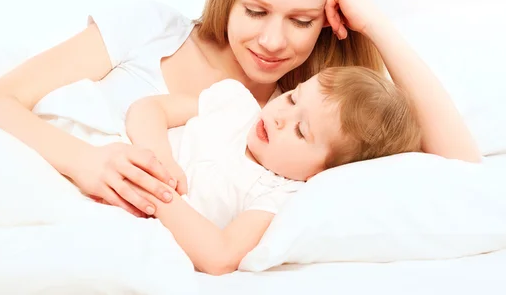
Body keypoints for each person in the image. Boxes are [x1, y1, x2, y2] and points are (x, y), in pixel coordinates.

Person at [0, 0, 481, 219]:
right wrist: (85, 163)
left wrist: (374, 23)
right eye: (255, 10)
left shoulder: (314, 106)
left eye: (301, 20)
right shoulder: (149, 30)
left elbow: (461, 170)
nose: (273, 41)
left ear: (328, 18)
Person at [123, 66, 422, 274]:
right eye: (293, 97)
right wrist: (159, 162)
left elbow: (220, 256)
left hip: (137, 211)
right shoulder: (235, 105)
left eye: (301, 131)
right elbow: (147, 109)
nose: (281, 116)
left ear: (320, 174)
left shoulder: (276, 194)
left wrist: (156, 192)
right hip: (118, 162)